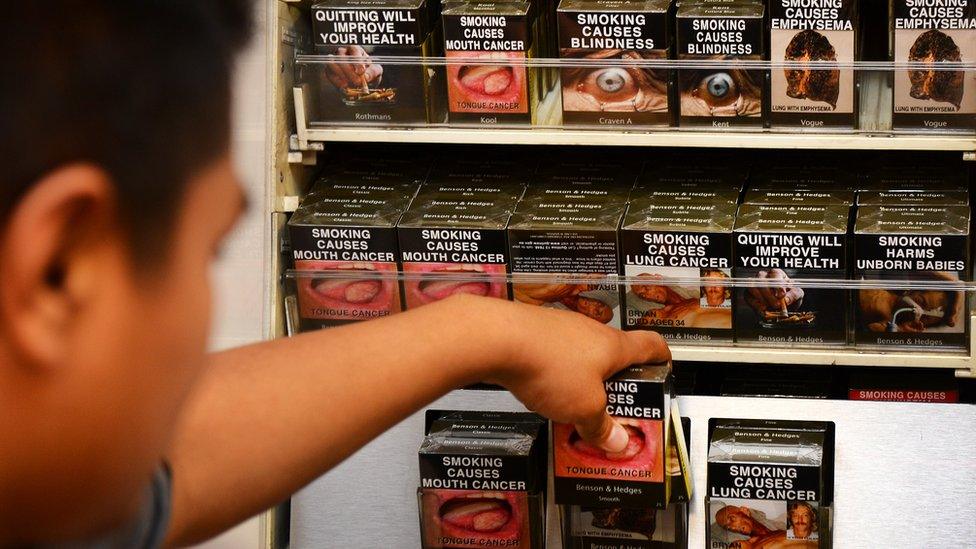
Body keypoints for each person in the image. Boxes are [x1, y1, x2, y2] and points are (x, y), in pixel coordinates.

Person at [0, 2, 669, 547]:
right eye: (207, 250)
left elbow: (174, 470)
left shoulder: (46, 498)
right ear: (58, 268)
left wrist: (492, 330)